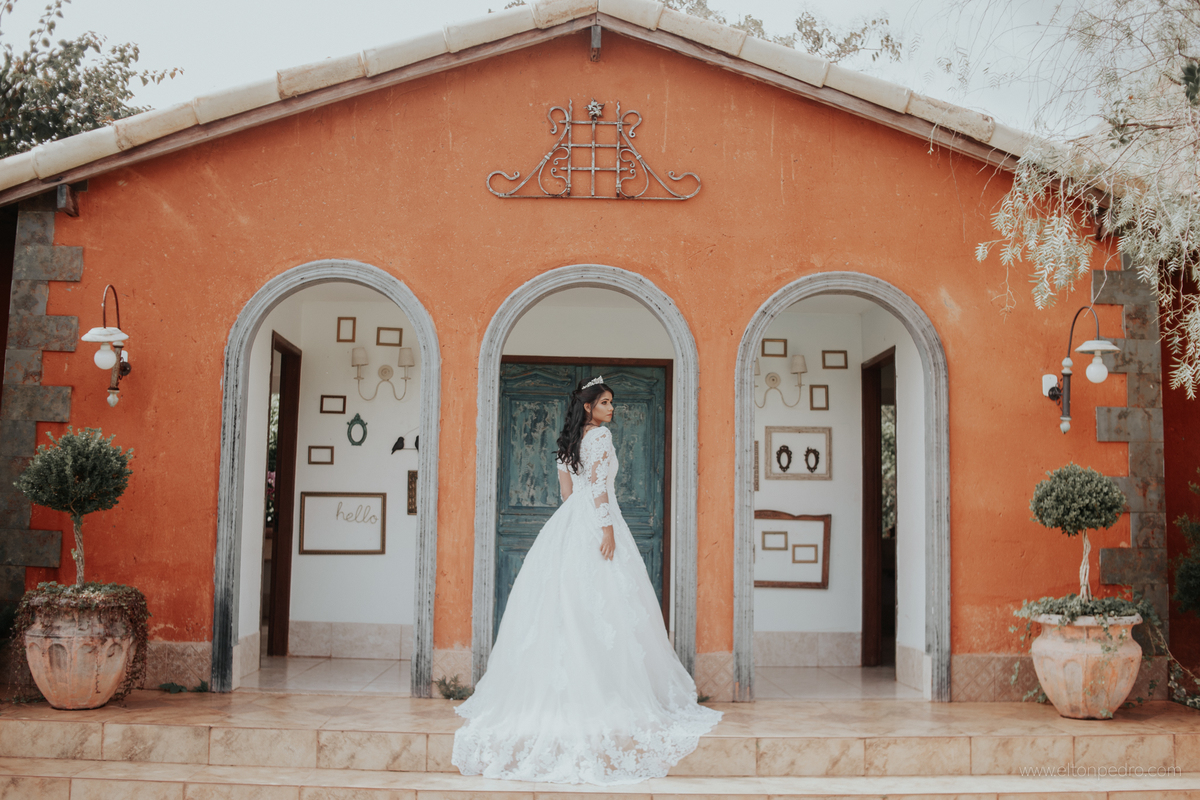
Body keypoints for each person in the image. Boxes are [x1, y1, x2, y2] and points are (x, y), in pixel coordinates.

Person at [452, 376, 721, 785]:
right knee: (607, 601)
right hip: (597, 520)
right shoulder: (600, 437)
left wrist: (577, 521)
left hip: (568, 523)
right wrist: (606, 528)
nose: (612, 408)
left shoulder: (568, 441)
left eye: (612, 402)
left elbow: (567, 492)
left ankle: (569, 686)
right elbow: (597, 487)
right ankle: (606, 688)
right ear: (589, 406)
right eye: (606, 402)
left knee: (567, 603)